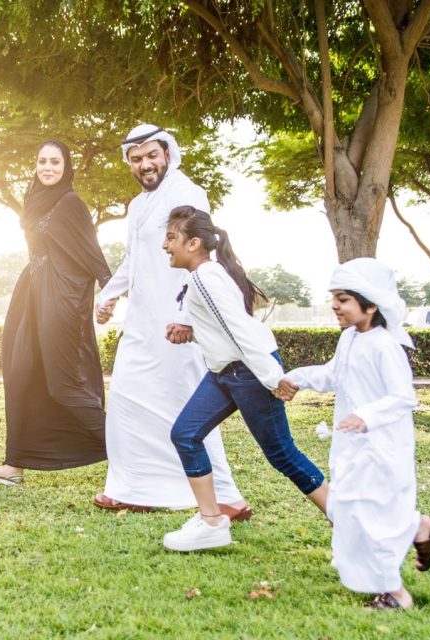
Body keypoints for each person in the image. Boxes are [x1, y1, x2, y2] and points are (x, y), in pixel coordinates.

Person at [93, 124, 250, 517]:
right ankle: (131, 486)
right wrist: (109, 294)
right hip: (141, 323)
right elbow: (135, 260)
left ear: (167, 154)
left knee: (185, 399)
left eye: (152, 156)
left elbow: (198, 256)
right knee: (128, 398)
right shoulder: (136, 206)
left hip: (177, 324)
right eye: (137, 158)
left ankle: (227, 497)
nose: (145, 164)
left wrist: (185, 316)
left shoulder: (187, 193)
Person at [276, 258, 430, 610]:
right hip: (352, 447)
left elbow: (403, 397)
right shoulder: (350, 339)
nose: (335, 306)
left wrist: (365, 417)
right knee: (354, 511)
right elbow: (332, 375)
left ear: (370, 305)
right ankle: (421, 527)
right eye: (334, 298)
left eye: (343, 299)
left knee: (371, 517)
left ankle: (396, 593)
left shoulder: (386, 346)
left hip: (381, 449)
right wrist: (295, 377)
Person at [161, 205, 329, 551]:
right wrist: (190, 330)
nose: (166, 245)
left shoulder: (205, 276)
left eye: (171, 238)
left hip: (249, 372)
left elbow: (238, 328)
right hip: (225, 372)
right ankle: (211, 522)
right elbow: (224, 325)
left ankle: (347, 520)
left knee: (282, 454)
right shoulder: (206, 275)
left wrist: (272, 378)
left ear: (193, 243)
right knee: (186, 434)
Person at [0, 140, 112, 485]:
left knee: (63, 384)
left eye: (55, 162)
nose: (48, 167)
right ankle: (14, 465)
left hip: (60, 301)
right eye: (42, 161)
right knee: (22, 373)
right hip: (33, 295)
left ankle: (138, 448)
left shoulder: (70, 203)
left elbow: (92, 254)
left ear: (67, 167)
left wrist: (109, 293)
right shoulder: (35, 201)